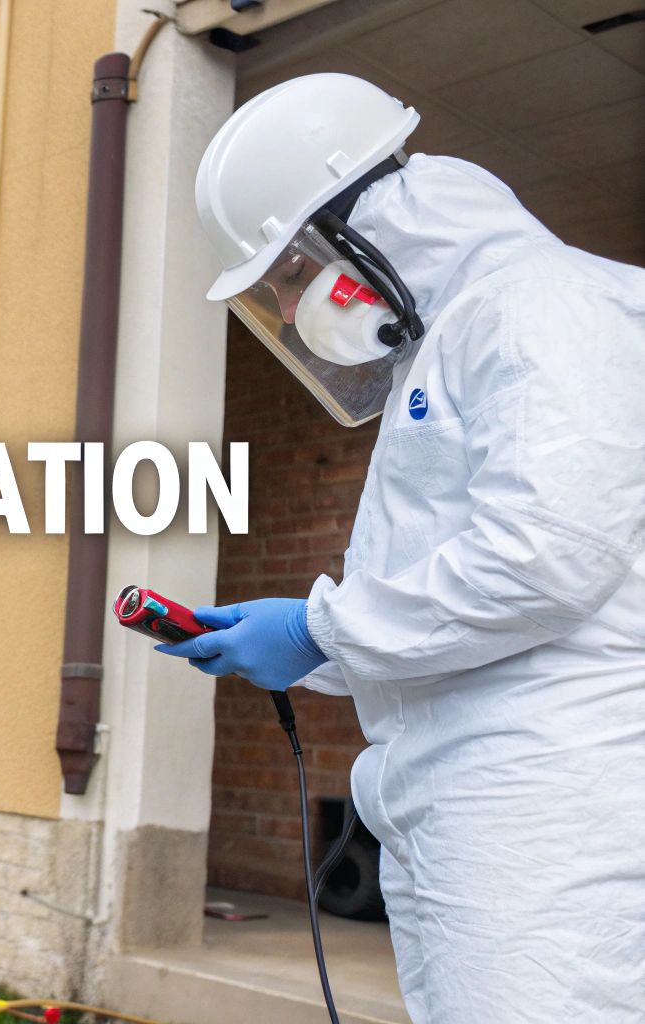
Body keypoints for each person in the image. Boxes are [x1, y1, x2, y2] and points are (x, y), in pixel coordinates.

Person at [158, 72, 645, 1021]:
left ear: (354, 233)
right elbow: (444, 588)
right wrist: (320, 647)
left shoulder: (546, 303)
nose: (294, 311)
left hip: (548, 808)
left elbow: (546, 558)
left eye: (290, 276)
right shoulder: (453, 339)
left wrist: (320, 628)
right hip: (459, 798)